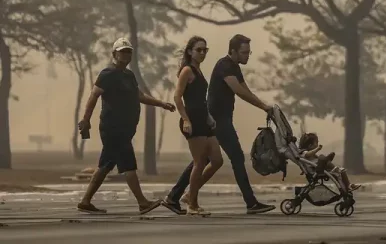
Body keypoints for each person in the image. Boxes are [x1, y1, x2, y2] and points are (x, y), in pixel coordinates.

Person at [163, 34, 275, 215]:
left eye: (204, 50)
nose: (247, 55)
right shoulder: (224, 66)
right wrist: (262, 106)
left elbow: (245, 88)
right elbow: (239, 92)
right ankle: (250, 203)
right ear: (233, 51)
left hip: (211, 118)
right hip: (217, 119)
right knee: (234, 158)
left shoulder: (231, 67)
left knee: (206, 160)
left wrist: (265, 105)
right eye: (244, 52)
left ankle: (177, 196)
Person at [76, 37, 176, 215]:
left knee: (105, 165)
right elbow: (93, 96)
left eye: (128, 51)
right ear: (114, 54)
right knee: (128, 164)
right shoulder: (107, 74)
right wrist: (86, 119)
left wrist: (162, 104)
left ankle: (85, 201)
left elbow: (140, 96)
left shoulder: (128, 75)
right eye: (122, 51)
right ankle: (142, 202)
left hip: (125, 128)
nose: (126, 54)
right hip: (113, 127)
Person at [173, 36, 224, 216]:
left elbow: (201, 100)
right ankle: (192, 204)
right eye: (199, 50)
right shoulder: (187, 70)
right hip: (192, 119)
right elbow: (177, 97)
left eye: (205, 50)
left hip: (204, 119)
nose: (202, 53)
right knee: (199, 162)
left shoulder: (199, 71)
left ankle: (189, 194)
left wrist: (209, 117)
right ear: (190, 51)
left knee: (217, 160)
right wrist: (186, 120)